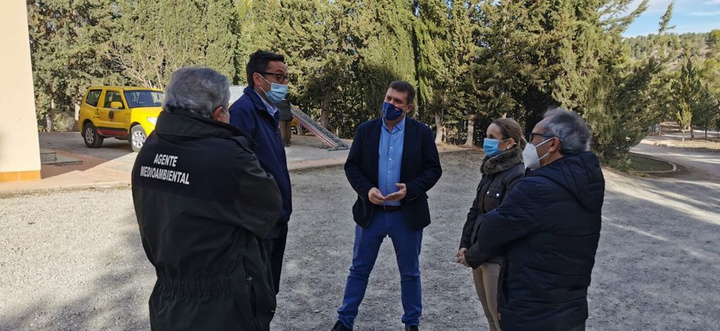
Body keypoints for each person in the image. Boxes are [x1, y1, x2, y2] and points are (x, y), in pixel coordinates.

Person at [131, 67, 282, 330]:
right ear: (217, 113)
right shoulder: (227, 156)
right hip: (221, 304)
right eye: (227, 109)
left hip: (168, 300)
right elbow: (269, 212)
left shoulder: (150, 148)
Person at [476, 108, 605, 331]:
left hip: (533, 311)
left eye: (534, 138)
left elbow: (490, 231)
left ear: (553, 144)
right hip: (569, 308)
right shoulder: (586, 180)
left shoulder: (537, 187)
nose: (529, 145)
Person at [333, 81, 442, 331]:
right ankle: (344, 321)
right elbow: (352, 166)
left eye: (397, 101)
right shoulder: (366, 130)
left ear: (409, 107)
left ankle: (411, 323)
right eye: (388, 98)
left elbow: (433, 169)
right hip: (371, 214)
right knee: (359, 270)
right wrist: (366, 189)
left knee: (410, 273)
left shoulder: (422, 133)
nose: (390, 104)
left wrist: (411, 189)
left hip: (406, 214)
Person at [229, 50, 292, 295]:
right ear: (258, 78)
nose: (284, 84)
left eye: (285, 77)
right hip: (260, 222)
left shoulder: (270, 110)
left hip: (277, 217)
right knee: (256, 293)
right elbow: (236, 170)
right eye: (278, 77)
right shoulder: (243, 112)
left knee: (269, 289)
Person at [456, 118, 526, 331]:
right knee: (490, 317)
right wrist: (465, 244)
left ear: (510, 143)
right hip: (478, 253)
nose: (486, 141)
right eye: (486, 136)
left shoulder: (517, 175)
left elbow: (504, 226)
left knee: (501, 320)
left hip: (497, 260)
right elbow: (476, 210)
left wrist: (473, 255)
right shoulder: (491, 169)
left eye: (492, 138)